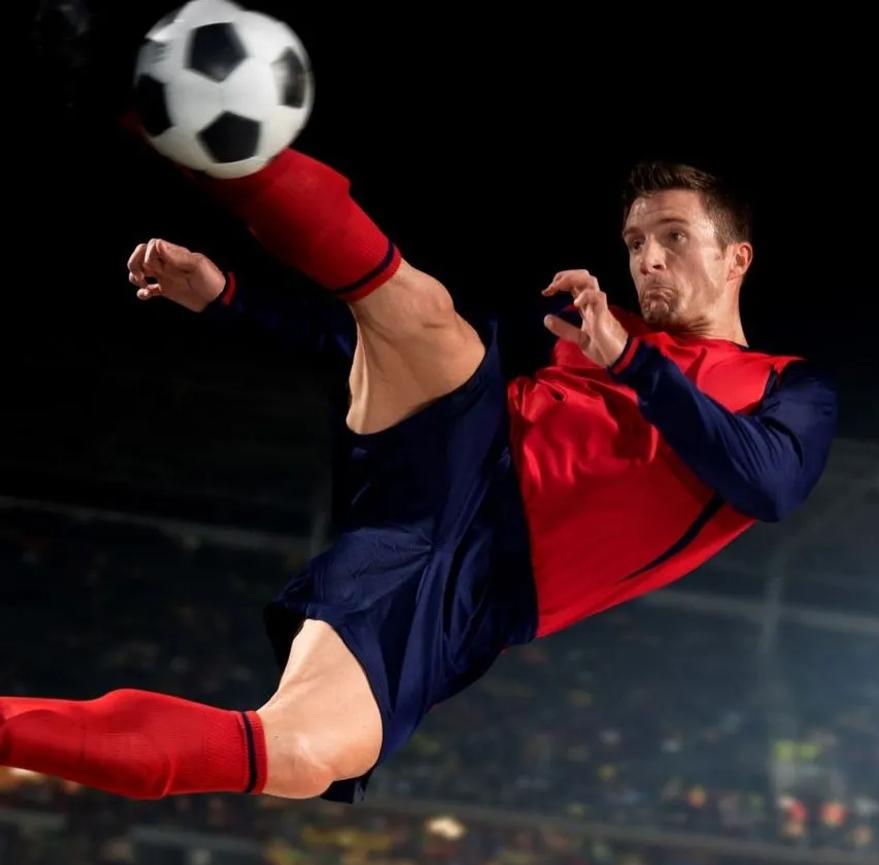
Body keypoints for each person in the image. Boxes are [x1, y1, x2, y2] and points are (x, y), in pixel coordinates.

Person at [0, 147, 837, 804]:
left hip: (470, 593)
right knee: (421, 312)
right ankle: (191, 127)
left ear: (736, 257)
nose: (646, 260)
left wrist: (630, 367)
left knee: (296, 753)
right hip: (458, 457)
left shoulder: (785, 384)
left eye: (673, 238)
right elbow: (380, 348)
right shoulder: (580, 325)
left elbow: (767, 486)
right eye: (634, 242)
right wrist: (229, 299)